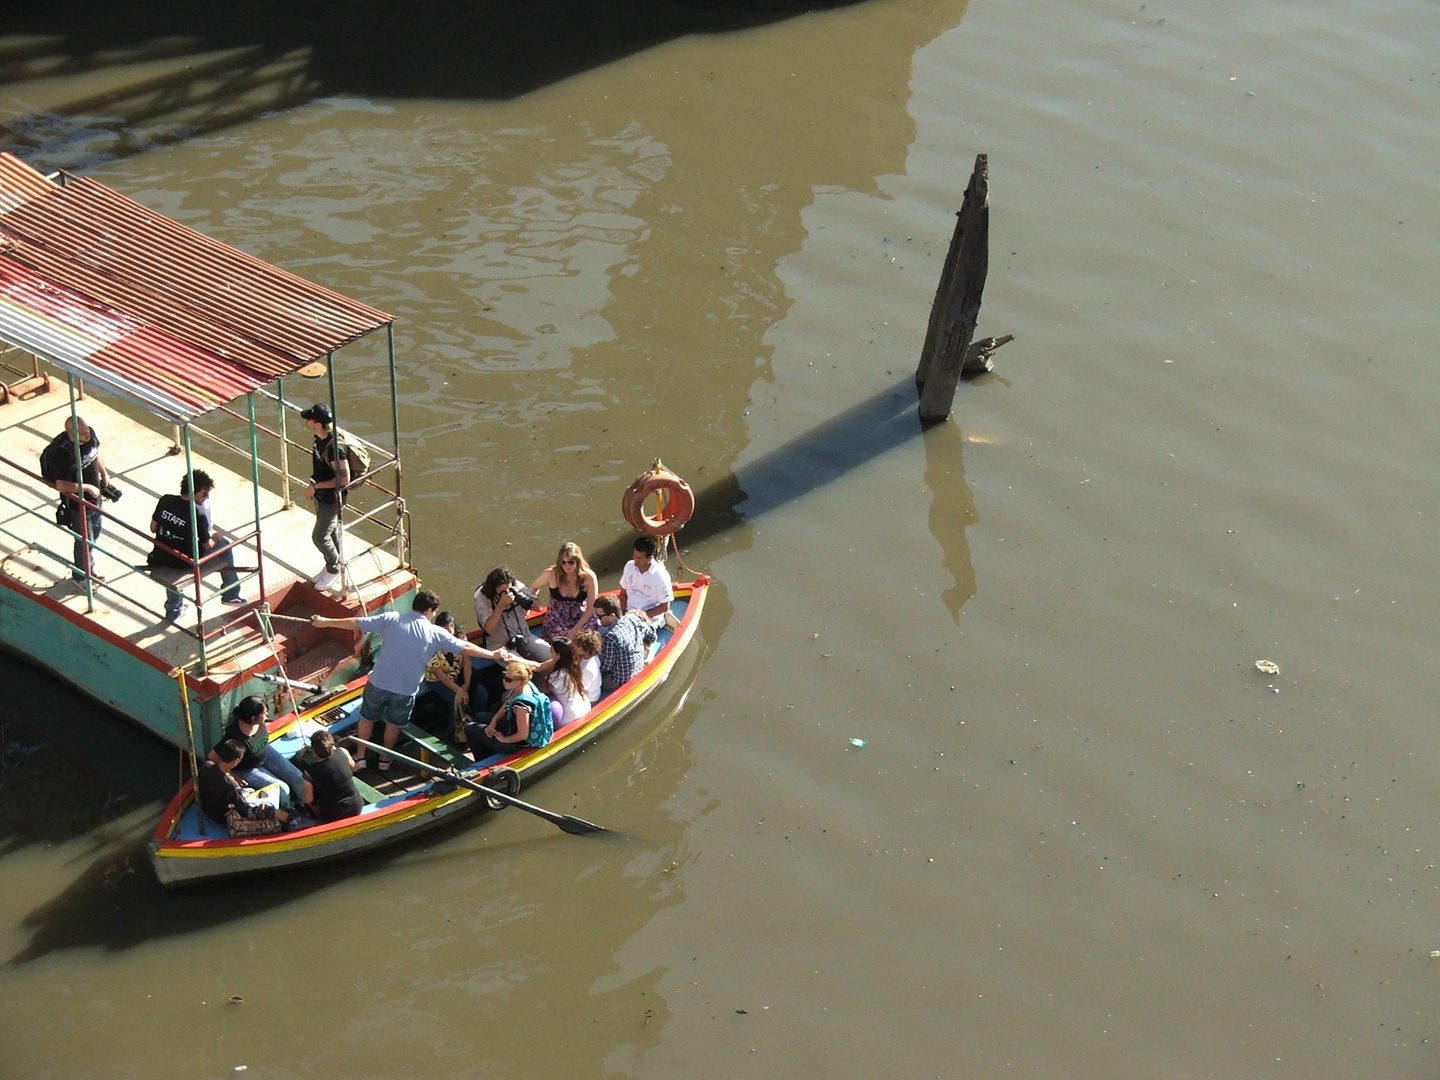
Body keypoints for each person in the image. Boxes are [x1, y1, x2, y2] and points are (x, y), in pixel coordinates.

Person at [312, 589, 509, 771]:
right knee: (394, 723)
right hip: (405, 690)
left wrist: (324, 621)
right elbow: (466, 647)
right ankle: (385, 759)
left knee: (367, 717)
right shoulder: (435, 632)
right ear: (430, 610)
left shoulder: (392, 619)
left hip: (378, 682)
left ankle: (361, 756)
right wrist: (492, 655)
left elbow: (356, 623)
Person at [147, 469, 243, 621]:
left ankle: (174, 610)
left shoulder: (165, 500)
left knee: (172, 551)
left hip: (161, 555)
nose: (207, 498)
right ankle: (231, 593)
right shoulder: (198, 516)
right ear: (192, 492)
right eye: (203, 494)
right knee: (225, 545)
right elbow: (208, 545)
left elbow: (153, 528)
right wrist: (217, 538)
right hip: (185, 562)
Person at [40, 415, 111, 582]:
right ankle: (81, 576)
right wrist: (87, 488)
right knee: (84, 541)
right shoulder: (64, 453)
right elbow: (61, 485)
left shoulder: (90, 436)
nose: (88, 436)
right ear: (72, 436)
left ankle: (90, 567)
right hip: (78, 505)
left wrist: (105, 474)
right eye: (83, 434)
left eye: (87, 431)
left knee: (94, 535)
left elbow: (95, 454)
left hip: (95, 500)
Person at [300, 403, 350, 592]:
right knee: (331, 532)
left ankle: (334, 569)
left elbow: (344, 479)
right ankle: (335, 564)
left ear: (317, 424)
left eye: (309, 419)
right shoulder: (318, 437)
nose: (306, 421)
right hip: (321, 494)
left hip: (332, 497)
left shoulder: (335, 448)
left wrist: (315, 486)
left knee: (320, 536)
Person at [222, 696, 306, 808]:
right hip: (247, 768)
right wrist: (233, 776)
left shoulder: (260, 722)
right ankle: (288, 810)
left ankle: (305, 805)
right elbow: (214, 757)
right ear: (253, 718)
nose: (267, 716)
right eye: (264, 714)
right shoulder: (235, 734)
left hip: (266, 754)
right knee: (283, 789)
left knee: (298, 778)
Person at [464, 661, 553, 761]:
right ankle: (489, 747)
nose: (504, 681)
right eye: (504, 676)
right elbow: (507, 703)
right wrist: (494, 721)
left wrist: (503, 739)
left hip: (514, 745)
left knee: (469, 728)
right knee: (480, 716)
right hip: (510, 725)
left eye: (508, 679)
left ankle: (484, 761)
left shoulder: (521, 706)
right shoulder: (523, 686)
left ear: (518, 681)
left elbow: (522, 735)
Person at [197, 739, 289, 828]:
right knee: (258, 795)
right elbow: (248, 812)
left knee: (248, 791)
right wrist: (273, 813)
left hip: (206, 810)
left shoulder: (207, 765)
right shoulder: (231, 786)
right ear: (237, 761)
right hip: (220, 819)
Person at [417, 610, 475, 742]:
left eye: (449, 631)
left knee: (481, 694)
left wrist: (466, 684)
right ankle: (451, 737)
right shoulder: (430, 646)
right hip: (437, 680)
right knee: (459, 702)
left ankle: (474, 728)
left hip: (457, 674)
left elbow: (467, 662)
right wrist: (460, 690)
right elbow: (440, 675)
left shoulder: (460, 639)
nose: (446, 636)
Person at [473, 566, 552, 659]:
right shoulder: (482, 597)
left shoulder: (515, 585)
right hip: (500, 646)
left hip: (525, 637)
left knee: (552, 657)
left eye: (509, 589)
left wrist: (522, 597)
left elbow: (538, 608)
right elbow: (488, 629)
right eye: (503, 591)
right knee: (521, 669)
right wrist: (500, 606)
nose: (507, 593)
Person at [529, 541, 599, 640]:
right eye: (563, 562)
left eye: (571, 562)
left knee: (586, 637)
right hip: (557, 617)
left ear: (578, 562)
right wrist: (533, 602)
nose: (567, 566)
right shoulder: (551, 574)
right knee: (563, 639)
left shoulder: (589, 577)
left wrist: (575, 629)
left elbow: (591, 608)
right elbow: (534, 587)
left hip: (581, 615)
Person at [594, 594, 656, 696]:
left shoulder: (611, 637)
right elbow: (652, 637)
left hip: (618, 682)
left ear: (612, 615)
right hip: (638, 668)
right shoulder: (633, 618)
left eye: (600, 616)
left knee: (594, 660)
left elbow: (606, 667)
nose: (598, 620)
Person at [302, 729, 364, 823]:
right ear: (332, 745)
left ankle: (317, 822)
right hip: (356, 806)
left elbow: (308, 799)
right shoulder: (343, 752)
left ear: (314, 751)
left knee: (308, 803)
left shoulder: (309, 773)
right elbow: (354, 768)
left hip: (333, 815)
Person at [618, 534, 673, 627]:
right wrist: (620, 614)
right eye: (634, 556)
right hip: (628, 613)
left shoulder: (661, 576)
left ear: (650, 558)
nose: (635, 560)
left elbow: (664, 607)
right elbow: (623, 594)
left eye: (639, 558)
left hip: (648, 618)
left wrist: (640, 616)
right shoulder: (629, 566)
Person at [573, 629, 604, 703]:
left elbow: (583, 691)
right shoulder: (593, 657)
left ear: (586, 650)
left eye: (577, 645)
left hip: (590, 698)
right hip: (592, 687)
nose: (574, 646)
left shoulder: (586, 670)